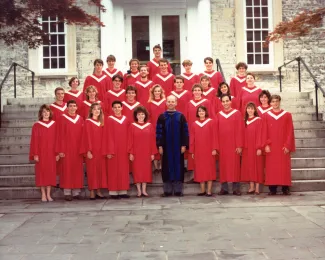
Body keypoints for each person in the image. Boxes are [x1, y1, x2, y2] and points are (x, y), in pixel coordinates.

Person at [156, 95, 189, 197]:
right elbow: (159, 132)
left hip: (178, 146)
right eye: (169, 101)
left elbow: (185, 132)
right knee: (166, 167)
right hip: (166, 147)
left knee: (178, 167)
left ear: (176, 103)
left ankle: (178, 190)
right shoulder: (162, 116)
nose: (170, 103)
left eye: (172, 101)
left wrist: (184, 144)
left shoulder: (181, 116)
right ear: (166, 103)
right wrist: (160, 146)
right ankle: (167, 191)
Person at [264, 95, 295, 195]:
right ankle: (272, 189)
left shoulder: (287, 115)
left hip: (283, 145)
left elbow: (290, 131)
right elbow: (264, 131)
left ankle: (285, 188)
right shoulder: (266, 115)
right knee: (271, 167)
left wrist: (288, 145)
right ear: (270, 103)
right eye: (273, 101)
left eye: (277, 101)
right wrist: (266, 144)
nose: (275, 103)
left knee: (284, 167)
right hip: (272, 146)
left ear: (280, 102)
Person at [56, 100, 84, 201]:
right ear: (67, 107)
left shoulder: (80, 119)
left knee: (77, 169)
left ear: (77, 108)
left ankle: (76, 192)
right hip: (66, 148)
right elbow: (59, 135)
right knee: (67, 170)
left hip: (77, 148)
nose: (72, 108)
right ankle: (67, 192)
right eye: (70, 106)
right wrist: (60, 150)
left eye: (74, 106)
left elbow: (83, 135)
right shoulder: (62, 118)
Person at [29, 104, 58, 202]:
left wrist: (57, 153)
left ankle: (49, 194)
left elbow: (57, 140)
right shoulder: (37, 125)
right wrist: (35, 154)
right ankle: (43, 194)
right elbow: (34, 140)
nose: (46, 113)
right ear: (41, 114)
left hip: (51, 152)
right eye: (44, 112)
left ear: (50, 113)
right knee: (41, 173)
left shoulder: (54, 124)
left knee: (50, 172)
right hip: (41, 152)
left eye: (47, 111)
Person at [216, 94, 243, 196]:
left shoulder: (237, 113)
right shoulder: (219, 115)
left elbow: (240, 130)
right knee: (223, 166)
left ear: (230, 102)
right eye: (223, 101)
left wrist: (239, 145)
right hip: (223, 145)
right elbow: (216, 131)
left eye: (227, 101)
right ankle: (224, 188)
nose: (225, 103)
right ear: (221, 103)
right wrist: (217, 146)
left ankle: (236, 188)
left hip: (234, 144)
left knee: (235, 166)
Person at [102, 101, 130, 199]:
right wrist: (109, 151)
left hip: (123, 148)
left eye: (119, 107)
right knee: (113, 169)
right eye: (115, 107)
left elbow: (129, 135)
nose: (117, 109)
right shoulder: (109, 119)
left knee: (123, 169)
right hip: (113, 148)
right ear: (112, 109)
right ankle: (113, 192)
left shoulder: (126, 120)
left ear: (122, 108)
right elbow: (107, 135)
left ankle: (123, 190)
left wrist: (129, 149)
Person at [128, 106, 157, 197]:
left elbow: (152, 140)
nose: (141, 116)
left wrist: (152, 153)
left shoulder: (149, 125)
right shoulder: (132, 126)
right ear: (136, 116)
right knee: (137, 170)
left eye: (142, 114)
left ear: (145, 115)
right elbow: (130, 140)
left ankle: (144, 190)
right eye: (139, 114)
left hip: (146, 152)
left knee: (145, 171)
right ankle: (139, 191)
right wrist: (131, 152)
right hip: (136, 152)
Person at [189, 106, 218, 197]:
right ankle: (202, 190)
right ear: (197, 113)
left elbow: (214, 136)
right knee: (200, 170)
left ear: (206, 112)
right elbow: (192, 139)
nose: (201, 112)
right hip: (198, 150)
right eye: (199, 111)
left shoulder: (211, 122)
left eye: (203, 111)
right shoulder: (194, 124)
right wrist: (192, 151)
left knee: (209, 170)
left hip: (209, 150)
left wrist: (214, 148)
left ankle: (209, 191)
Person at [80, 103, 107, 200]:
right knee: (92, 171)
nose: (96, 111)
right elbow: (86, 137)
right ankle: (92, 190)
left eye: (98, 109)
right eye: (94, 109)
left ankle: (99, 190)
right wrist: (88, 151)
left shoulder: (102, 123)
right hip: (92, 150)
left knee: (100, 170)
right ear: (91, 111)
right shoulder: (88, 122)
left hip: (101, 150)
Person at [240, 102, 263, 195]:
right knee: (249, 166)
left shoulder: (258, 120)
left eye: (252, 108)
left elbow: (260, 135)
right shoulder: (244, 121)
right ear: (246, 110)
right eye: (248, 108)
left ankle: (257, 188)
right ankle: (251, 186)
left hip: (255, 146)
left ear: (255, 110)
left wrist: (259, 147)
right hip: (247, 148)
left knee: (257, 166)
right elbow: (241, 135)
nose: (250, 110)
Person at [147, 84, 166, 174]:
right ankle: (155, 166)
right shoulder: (149, 103)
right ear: (152, 93)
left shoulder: (165, 102)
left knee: (163, 145)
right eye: (155, 91)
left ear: (161, 92)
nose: (157, 93)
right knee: (154, 146)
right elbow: (148, 116)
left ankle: (162, 165)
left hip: (164, 127)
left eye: (159, 91)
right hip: (153, 127)